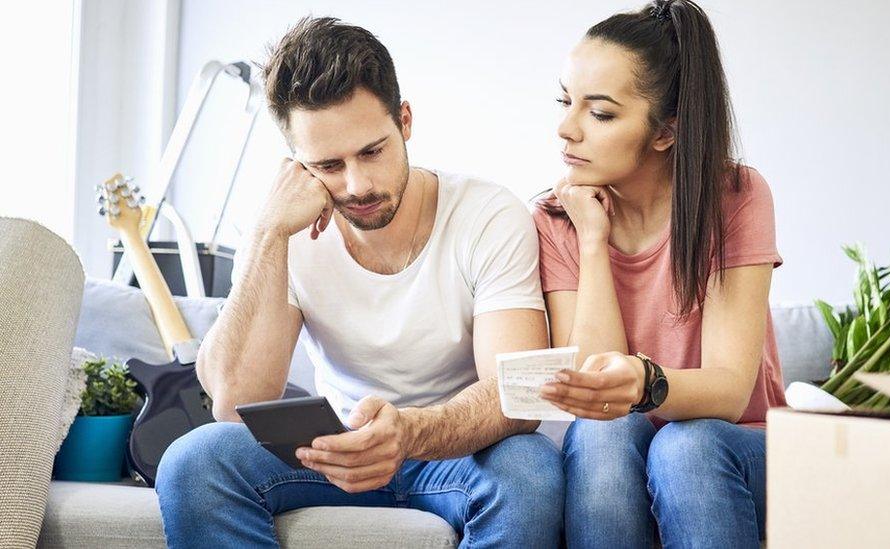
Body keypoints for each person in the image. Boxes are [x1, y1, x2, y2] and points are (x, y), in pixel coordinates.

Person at [154, 16, 563, 548]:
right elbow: (234, 402)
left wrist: (409, 433)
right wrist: (266, 233)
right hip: (333, 453)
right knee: (195, 459)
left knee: (529, 469)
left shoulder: (487, 214)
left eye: (372, 151)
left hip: (457, 456)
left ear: (406, 121)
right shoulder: (289, 232)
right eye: (328, 164)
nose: (357, 185)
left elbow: (518, 398)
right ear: (296, 163)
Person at [533, 1, 786, 548]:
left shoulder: (734, 197)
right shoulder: (558, 219)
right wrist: (594, 240)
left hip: (741, 447)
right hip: (622, 447)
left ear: (666, 131)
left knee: (684, 448)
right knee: (601, 436)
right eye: (564, 102)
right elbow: (593, 394)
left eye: (599, 114)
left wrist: (645, 382)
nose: (565, 129)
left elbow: (728, 391)